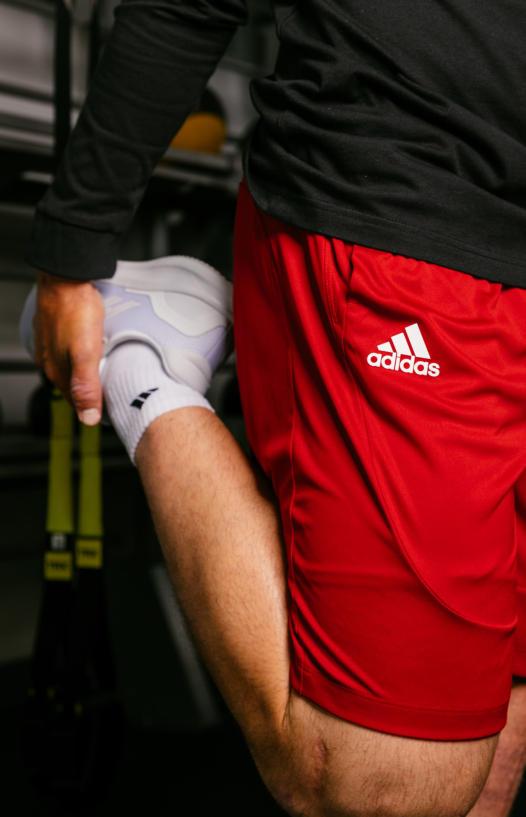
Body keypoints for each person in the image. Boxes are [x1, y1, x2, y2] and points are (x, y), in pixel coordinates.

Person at [23, 1, 526, 815]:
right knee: (378, 786)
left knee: (492, 755)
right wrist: (75, 239)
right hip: (406, 197)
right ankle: (140, 354)